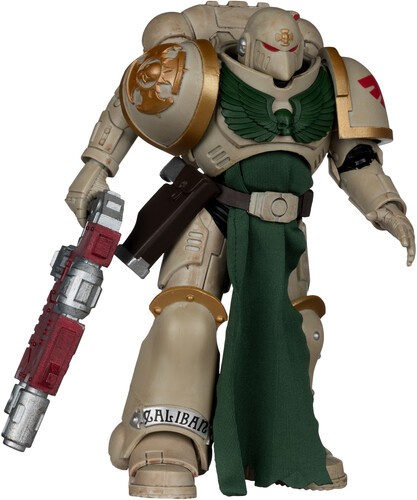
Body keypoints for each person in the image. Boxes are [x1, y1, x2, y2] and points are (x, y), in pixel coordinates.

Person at [65, 3, 415, 498]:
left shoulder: (332, 80)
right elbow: (132, 101)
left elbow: (355, 156)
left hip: (283, 229)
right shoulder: (201, 73)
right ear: (248, 47)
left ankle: (281, 442)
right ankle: (163, 439)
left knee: (298, 329)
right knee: (186, 318)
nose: (283, 66)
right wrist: (95, 166)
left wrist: (385, 206)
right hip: (211, 215)